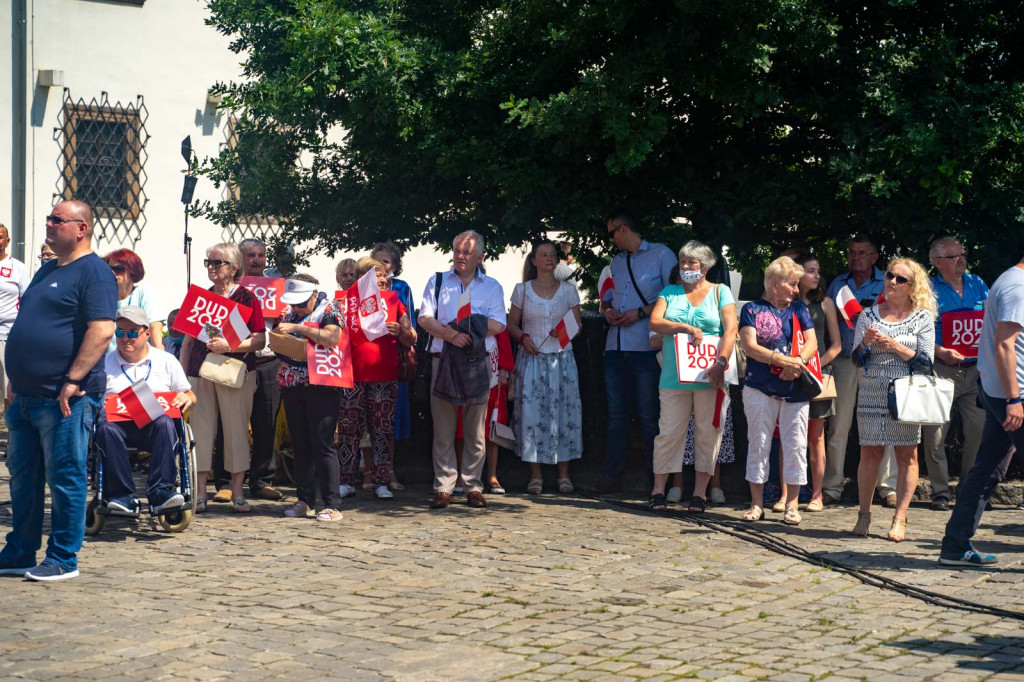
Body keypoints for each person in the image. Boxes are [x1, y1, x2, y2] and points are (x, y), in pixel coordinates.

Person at [0, 200, 116, 581]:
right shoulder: (48, 269)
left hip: (65, 397)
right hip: (27, 395)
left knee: (65, 476)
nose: (48, 224)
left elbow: (101, 331)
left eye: (57, 220)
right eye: (49, 218)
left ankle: (64, 557)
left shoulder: (95, 274)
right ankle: (19, 552)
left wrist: (73, 379)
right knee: (23, 475)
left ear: (81, 228)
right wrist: (17, 377)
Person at [939, 254, 1024, 566]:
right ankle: (955, 545)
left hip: (1000, 392)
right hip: (1013, 396)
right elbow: (1004, 345)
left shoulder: (1009, 281)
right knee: (986, 470)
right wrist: (1014, 400)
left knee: (987, 469)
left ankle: (955, 546)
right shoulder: (1018, 286)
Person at [418, 231, 506, 509]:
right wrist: (450, 334)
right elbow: (423, 318)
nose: (460, 256)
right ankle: (444, 486)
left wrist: (470, 326)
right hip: (442, 359)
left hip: (476, 362)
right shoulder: (437, 281)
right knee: (443, 428)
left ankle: (473, 486)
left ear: (480, 257)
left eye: (466, 252)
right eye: (457, 250)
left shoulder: (491, 286)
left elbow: (499, 324)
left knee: (475, 431)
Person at [647, 240, 737, 513]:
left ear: (706, 266)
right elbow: (655, 322)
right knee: (668, 433)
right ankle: (658, 490)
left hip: (710, 376)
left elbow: (731, 330)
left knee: (707, 434)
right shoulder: (669, 292)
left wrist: (721, 363)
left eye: (691, 262)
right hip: (674, 377)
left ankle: (700, 494)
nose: (686, 267)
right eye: (683, 261)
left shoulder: (721, 292)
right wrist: (683, 326)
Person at [851, 258, 936, 542]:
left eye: (901, 279)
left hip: (907, 393)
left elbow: (927, 362)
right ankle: (864, 514)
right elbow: (855, 359)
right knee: (870, 453)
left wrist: (896, 347)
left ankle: (900, 517)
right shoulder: (868, 315)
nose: (892, 282)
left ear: (913, 286)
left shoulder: (922, 317)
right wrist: (865, 343)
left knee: (906, 455)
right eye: (890, 276)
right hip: (873, 391)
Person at [179, 243, 267, 513]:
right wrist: (181, 379)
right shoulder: (200, 298)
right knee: (202, 431)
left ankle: (238, 492)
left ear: (234, 268)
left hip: (233, 370)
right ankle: (201, 492)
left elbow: (259, 339)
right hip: (200, 372)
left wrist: (229, 345)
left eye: (218, 262)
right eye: (209, 262)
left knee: (236, 430)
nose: (212, 267)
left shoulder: (247, 298)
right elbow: (187, 341)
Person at [596, 208, 677, 492]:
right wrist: (607, 311)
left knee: (648, 415)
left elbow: (674, 295)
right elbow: (606, 298)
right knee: (616, 415)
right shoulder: (616, 262)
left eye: (611, 234)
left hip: (646, 345)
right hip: (616, 345)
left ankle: (654, 479)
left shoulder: (662, 254)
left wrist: (641, 313)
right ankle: (611, 475)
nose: (611, 240)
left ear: (623, 229)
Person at [738, 256, 817, 525]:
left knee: (795, 445)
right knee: (758, 443)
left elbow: (812, 342)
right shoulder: (751, 309)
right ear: (774, 284)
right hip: (760, 386)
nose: (797, 289)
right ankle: (756, 503)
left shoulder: (799, 309)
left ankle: (792, 505)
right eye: (793, 284)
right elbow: (750, 347)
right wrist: (782, 360)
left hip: (795, 387)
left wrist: (798, 364)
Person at [95, 306, 196, 514]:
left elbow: (191, 395)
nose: (126, 338)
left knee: (166, 423)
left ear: (147, 334)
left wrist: (186, 398)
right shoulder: (105, 363)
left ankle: (161, 492)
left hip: (155, 427)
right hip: (119, 427)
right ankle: (123, 496)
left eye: (132, 333)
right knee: (104, 429)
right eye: (120, 332)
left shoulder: (166, 360)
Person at [824, 234, 897, 505]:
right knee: (838, 427)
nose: (856, 257)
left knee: (883, 424)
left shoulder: (888, 282)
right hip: (844, 361)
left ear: (875, 257)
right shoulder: (837, 284)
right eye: (852, 252)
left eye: (862, 252)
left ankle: (887, 487)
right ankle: (831, 487)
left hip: (877, 360)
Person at [507, 240, 584, 495]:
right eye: (544, 254)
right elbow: (512, 325)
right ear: (534, 261)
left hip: (561, 360)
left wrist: (563, 332)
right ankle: (535, 475)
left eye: (553, 254)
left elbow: (577, 326)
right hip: (532, 360)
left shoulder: (569, 290)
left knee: (565, 415)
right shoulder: (523, 290)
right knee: (532, 415)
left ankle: (564, 475)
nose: (550, 258)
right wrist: (524, 339)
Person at [338, 257, 417, 500]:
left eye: (384, 275)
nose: (382, 280)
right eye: (377, 275)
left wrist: (400, 331)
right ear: (364, 279)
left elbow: (412, 337)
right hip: (351, 377)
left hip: (383, 376)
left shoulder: (394, 301)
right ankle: (346, 480)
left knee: (381, 430)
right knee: (349, 431)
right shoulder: (345, 301)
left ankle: (381, 481)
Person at [921, 237, 988, 511]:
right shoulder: (927, 290)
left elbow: (991, 320)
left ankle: (968, 490)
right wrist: (940, 351)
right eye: (954, 256)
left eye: (962, 254)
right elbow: (918, 331)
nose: (962, 259)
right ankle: (940, 492)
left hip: (975, 370)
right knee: (936, 432)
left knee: (979, 430)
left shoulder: (978, 283)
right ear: (938, 263)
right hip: (942, 367)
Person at [274, 275, 345, 521]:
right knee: (300, 445)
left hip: (321, 385)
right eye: (292, 304)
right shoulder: (288, 312)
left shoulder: (329, 309)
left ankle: (332, 504)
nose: (295, 309)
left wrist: (298, 328)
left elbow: (332, 337)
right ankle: (304, 499)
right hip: (292, 384)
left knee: (323, 444)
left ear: (314, 296)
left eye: (300, 304)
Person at [786, 250, 842, 512]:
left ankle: (817, 495)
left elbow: (836, 346)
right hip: (788, 373)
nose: (816, 275)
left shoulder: (826, 303)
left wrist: (817, 364)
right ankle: (787, 496)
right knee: (788, 435)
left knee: (815, 437)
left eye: (818, 271)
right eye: (810, 270)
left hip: (816, 376)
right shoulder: (786, 302)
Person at [238, 237, 284, 501]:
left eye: (261, 255)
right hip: (238, 360)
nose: (257, 260)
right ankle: (225, 480)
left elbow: (285, 322)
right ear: (241, 258)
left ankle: (261, 481)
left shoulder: (275, 287)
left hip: (268, 360)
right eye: (251, 255)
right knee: (231, 422)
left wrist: (286, 313)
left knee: (266, 423)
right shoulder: (231, 287)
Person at [371, 241, 415, 489]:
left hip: (393, 358)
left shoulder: (401, 288)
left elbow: (410, 328)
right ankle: (369, 472)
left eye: (386, 262)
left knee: (390, 418)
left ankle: (389, 471)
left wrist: (401, 332)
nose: (382, 267)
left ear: (395, 265)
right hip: (367, 359)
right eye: (377, 261)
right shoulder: (363, 288)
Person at [103, 248, 164, 349]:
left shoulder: (143, 294)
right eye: (109, 269)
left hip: (137, 361)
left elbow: (155, 328)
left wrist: (161, 359)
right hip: (108, 361)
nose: (113, 273)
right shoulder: (102, 296)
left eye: (119, 269)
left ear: (132, 271)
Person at [0, 224, 30, 420]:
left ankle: (12, 445)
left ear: (7, 241)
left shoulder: (17, 268)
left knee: (8, 393)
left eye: (0, 237)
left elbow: (27, 301)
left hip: (7, 336)